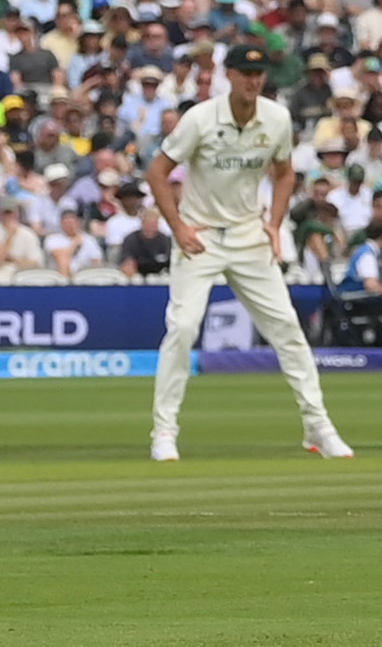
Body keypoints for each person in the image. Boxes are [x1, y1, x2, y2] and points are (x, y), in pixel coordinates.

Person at [143, 38, 349, 466]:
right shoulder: (200, 119)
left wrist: (274, 224)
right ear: (230, 76)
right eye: (246, 74)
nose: (254, 81)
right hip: (200, 236)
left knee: (287, 328)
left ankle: (318, 426)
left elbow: (285, 173)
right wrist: (178, 227)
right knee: (182, 328)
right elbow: (158, 172)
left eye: (259, 74)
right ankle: (164, 431)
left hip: (249, 235)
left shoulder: (276, 118)